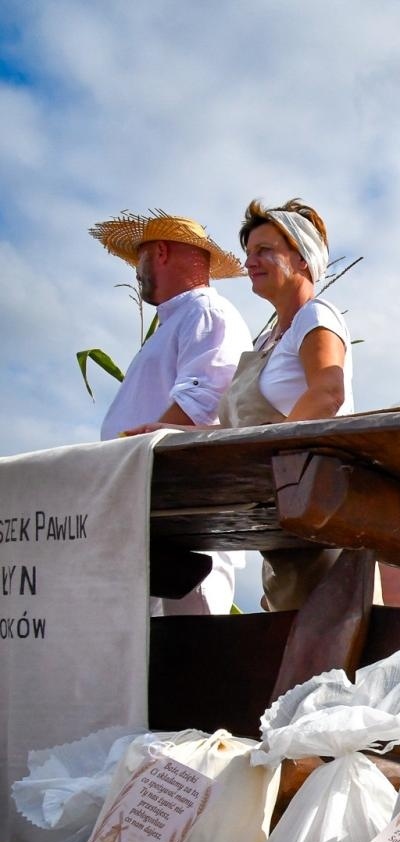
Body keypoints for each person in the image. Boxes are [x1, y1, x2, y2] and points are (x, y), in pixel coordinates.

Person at [89, 210, 253, 614]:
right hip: (156, 511)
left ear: (160, 252)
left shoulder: (205, 312)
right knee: (155, 640)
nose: (138, 273)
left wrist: (130, 459)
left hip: (181, 516)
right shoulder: (182, 320)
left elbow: (203, 401)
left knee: (187, 639)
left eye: (140, 259)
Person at [225, 198, 353, 609]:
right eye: (249, 253)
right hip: (279, 518)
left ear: (302, 259)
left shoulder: (316, 317)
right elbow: (233, 432)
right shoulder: (266, 342)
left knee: (324, 629)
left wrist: (267, 456)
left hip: (316, 510)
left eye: (264, 250)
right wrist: (170, 434)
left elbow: (328, 392)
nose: (250, 262)